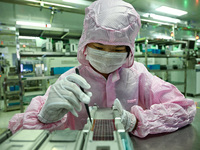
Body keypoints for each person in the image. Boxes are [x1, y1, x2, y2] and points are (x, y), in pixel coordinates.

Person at [9, 0, 196, 138]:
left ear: (129, 51)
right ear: (85, 46)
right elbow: (21, 132)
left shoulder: (139, 76)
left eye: (117, 49)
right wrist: (44, 117)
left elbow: (185, 109)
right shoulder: (69, 80)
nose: (107, 55)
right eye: (99, 47)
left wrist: (135, 121)